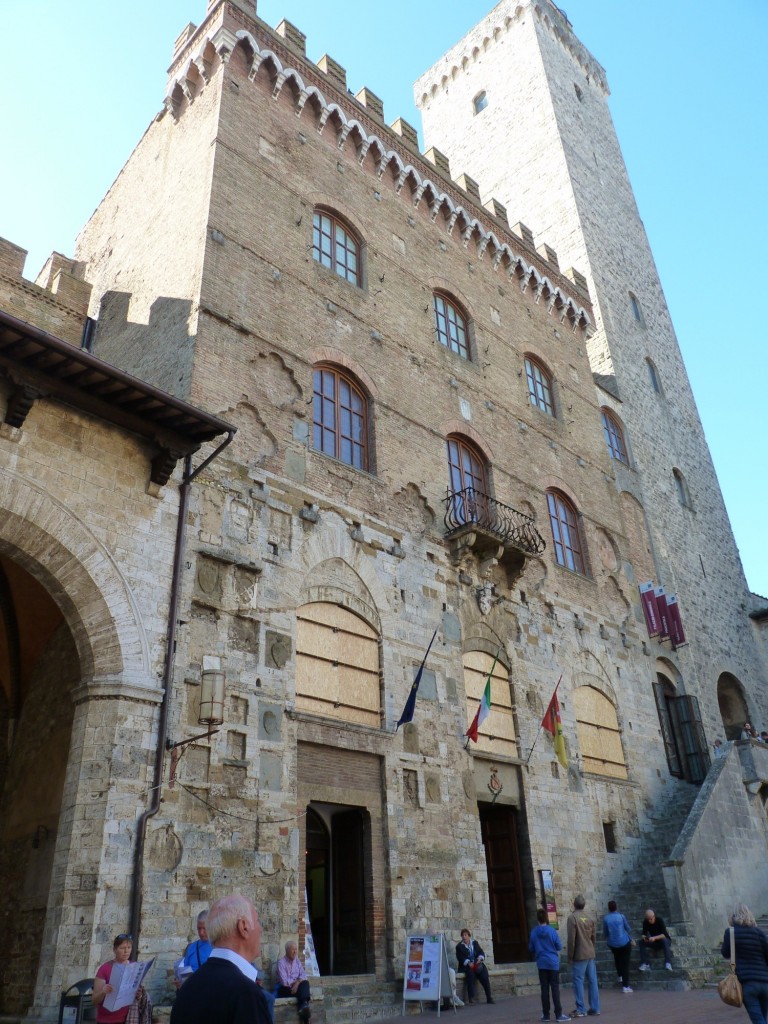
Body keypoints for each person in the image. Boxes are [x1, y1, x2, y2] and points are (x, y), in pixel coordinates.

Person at [170, 893, 272, 1024]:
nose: (261, 929)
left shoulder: (187, 989)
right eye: (257, 921)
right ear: (243, 927)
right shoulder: (247, 995)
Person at [721, 903, 768, 1024]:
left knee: (758, 1020)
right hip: (764, 982)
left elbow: (725, 953)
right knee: (762, 1018)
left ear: (733, 916)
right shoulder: (759, 933)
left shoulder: (730, 933)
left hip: (747, 983)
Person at [93, 933, 152, 1024]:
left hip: (128, 1019)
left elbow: (137, 995)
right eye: (122, 948)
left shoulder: (134, 967)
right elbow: (94, 1000)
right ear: (114, 950)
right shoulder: (105, 968)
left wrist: (139, 995)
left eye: (129, 947)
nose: (126, 951)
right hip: (106, 1020)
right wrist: (103, 992)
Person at [529, 908, 570, 1022]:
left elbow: (531, 948)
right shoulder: (551, 931)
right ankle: (558, 1014)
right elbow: (558, 946)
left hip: (541, 962)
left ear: (538, 919)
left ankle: (546, 1014)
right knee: (555, 988)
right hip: (552, 962)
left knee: (544, 988)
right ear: (546, 918)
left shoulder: (534, 932)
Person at [566, 895, 599, 1018]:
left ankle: (581, 1008)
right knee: (592, 980)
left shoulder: (572, 918)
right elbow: (593, 937)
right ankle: (595, 1007)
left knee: (578, 981)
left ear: (574, 904)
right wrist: (592, 948)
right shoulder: (589, 918)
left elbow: (571, 940)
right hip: (590, 952)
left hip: (579, 954)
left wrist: (570, 956)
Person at [276, 941, 312, 1022]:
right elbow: (284, 982)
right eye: (293, 950)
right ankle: (305, 1013)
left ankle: (303, 1008)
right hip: (285, 989)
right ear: (287, 950)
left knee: (305, 983)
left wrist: (297, 983)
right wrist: (296, 981)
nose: (295, 951)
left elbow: (304, 975)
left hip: (296, 988)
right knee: (303, 992)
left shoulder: (297, 961)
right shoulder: (281, 963)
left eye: (296, 949)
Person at [455, 928, 494, 1004]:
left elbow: (481, 952)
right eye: (463, 935)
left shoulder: (474, 943)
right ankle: (471, 998)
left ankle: (489, 997)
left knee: (484, 975)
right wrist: (468, 963)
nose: (464, 937)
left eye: (465, 935)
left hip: (477, 964)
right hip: (467, 966)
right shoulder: (459, 946)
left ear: (469, 936)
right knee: (470, 975)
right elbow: (460, 957)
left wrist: (480, 959)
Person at [602, 900, 633, 993]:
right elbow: (628, 928)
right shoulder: (621, 916)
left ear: (608, 908)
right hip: (624, 942)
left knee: (617, 958)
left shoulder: (606, 919)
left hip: (613, 943)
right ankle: (625, 985)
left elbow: (605, 932)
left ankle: (619, 975)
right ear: (616, 907)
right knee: (625, 964)